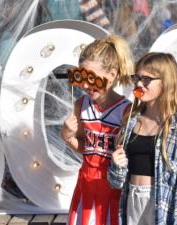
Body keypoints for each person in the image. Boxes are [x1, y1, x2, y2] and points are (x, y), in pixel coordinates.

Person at [108, 52, 177, 225]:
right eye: (137, 78)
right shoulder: (131, 120)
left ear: (166, 82)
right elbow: (116, 183)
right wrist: (116, 166)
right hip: (131, 202)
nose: (139, 84)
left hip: (160, 205)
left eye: (147, 79)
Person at [60, 35, 134, 225]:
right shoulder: (81, 104)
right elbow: (87, 148)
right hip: (86, 186)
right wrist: (67, 137)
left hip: (113, 189)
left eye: (91, 77)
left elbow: (130, 159)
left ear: (111, 75)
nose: (85, 84)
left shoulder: (126, 110)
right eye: (82, 76)